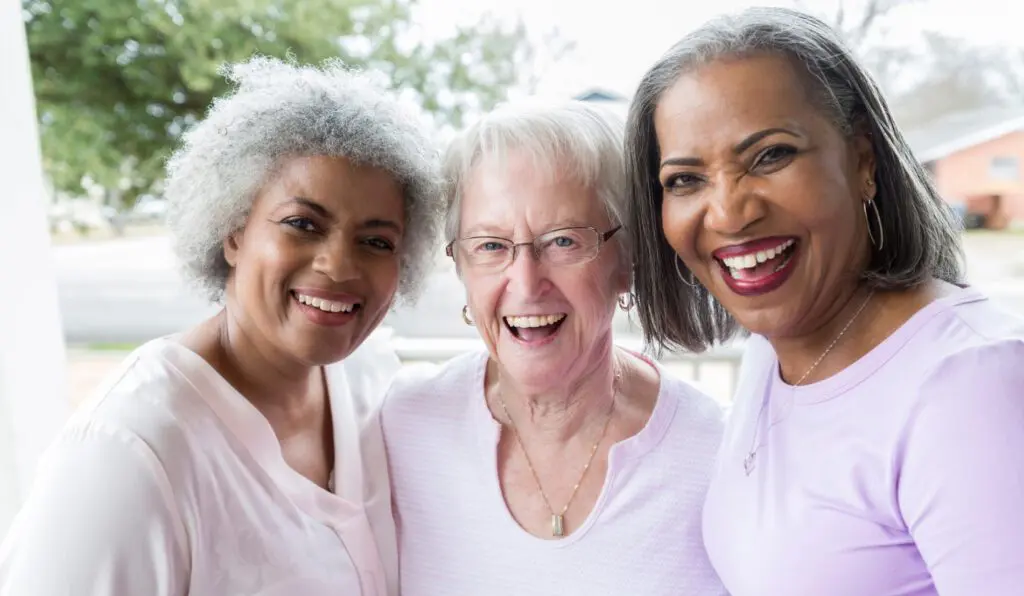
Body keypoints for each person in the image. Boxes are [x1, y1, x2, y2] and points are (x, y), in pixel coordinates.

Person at [0, 56, 442, 596]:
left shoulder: (371, 385)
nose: (339, 265)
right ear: (232, 231)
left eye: (376, 241)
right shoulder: (130, 452)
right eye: (302, 224)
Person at [624, 7, 1024, 596]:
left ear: (863, 159)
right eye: (686, 179)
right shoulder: (775, 352)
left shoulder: (969, 384)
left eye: (770, 155)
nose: (730, 212)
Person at [378, 101, 727, 595]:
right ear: (459, 265)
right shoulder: (402, 426)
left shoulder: (717, 453)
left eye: (563, 241)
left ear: (626, 261)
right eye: (490, 246)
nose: (525, 282)